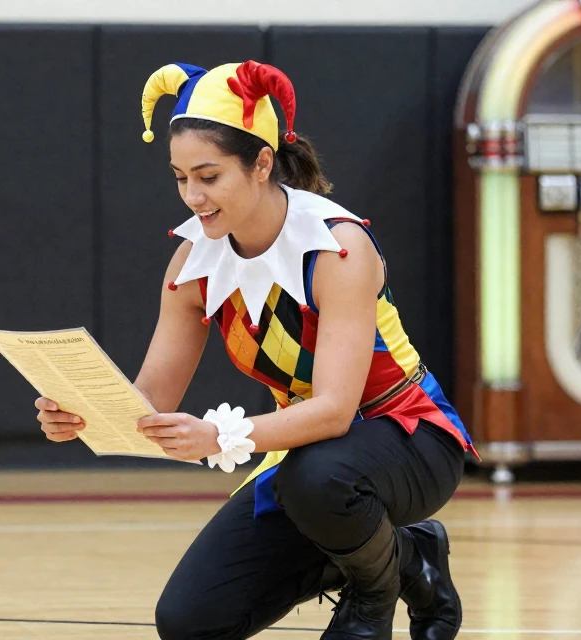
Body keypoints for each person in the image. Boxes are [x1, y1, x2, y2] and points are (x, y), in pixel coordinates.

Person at [33, 60, 477, 640]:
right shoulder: (191, 265)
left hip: (408, 437)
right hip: (306, 460)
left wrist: (219, 438)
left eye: (208, 176)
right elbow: (151, 399)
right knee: (189, 621)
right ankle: (407, 557)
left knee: (317, 480)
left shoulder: (338, 247)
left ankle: (373, 593)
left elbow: (337, 411)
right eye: (179, 177)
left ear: (262, 163)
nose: (192, 195)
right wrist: (83, 414)